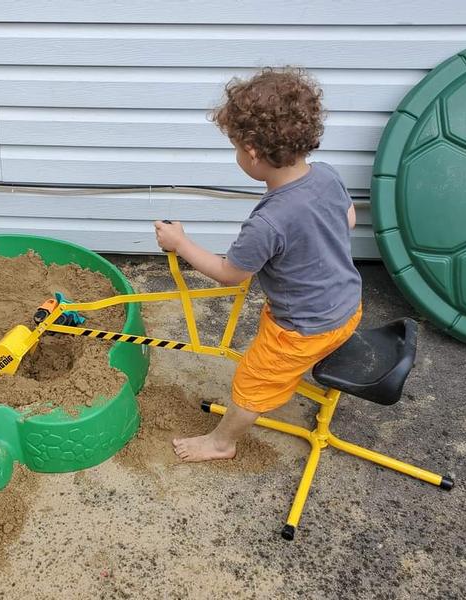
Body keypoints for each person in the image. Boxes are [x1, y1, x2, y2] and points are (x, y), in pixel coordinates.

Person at [155, 68, 362, 462]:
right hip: (349, 307)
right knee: (282, 350)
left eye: (234, 146)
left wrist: (179, 242)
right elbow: (348, 219)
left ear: (251, 151)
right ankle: (303, 367)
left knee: (251, 383)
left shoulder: (269, 220)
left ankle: (222, 442)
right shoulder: (328, 176)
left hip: (303, 328)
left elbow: (230, 273)